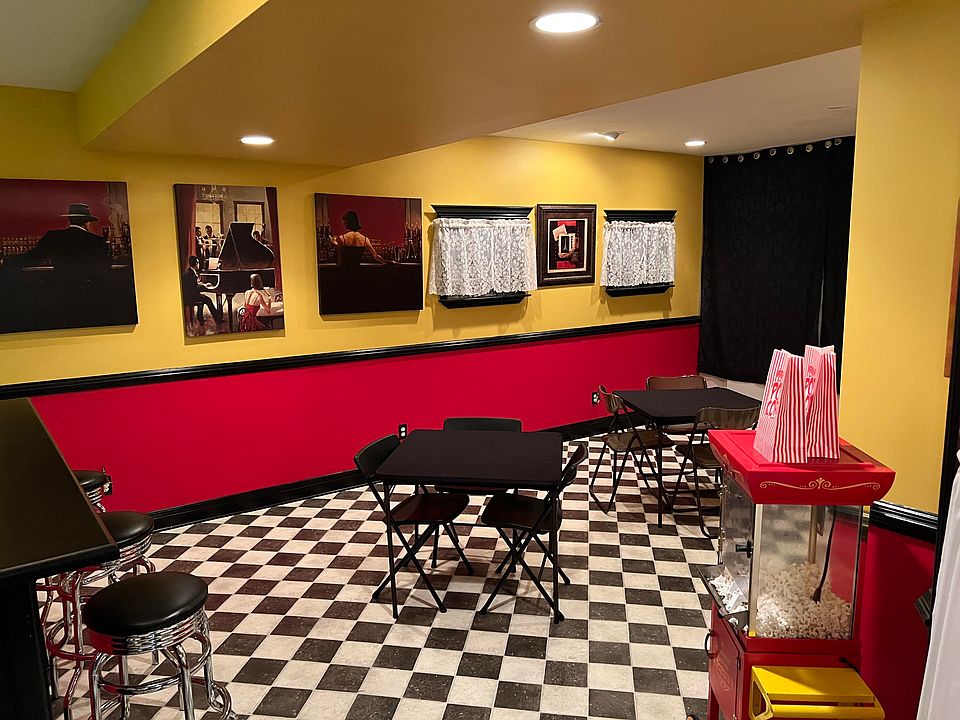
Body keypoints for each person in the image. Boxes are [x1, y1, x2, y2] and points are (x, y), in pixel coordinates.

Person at [5, 203, 110, 270]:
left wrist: (5, 262)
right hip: (87, 291)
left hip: (60, 289)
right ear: (87, 223)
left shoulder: (53, 237)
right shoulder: (97, 241)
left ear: (69, 219)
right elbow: (105, 266)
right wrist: (106, 242)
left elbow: (31, 258)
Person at [181, 255, 222, 326]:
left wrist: (202, 284)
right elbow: (195, 288)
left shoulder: (188, 272)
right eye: (198, 263)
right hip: (191, 296)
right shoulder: (192, 274)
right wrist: (204, 286)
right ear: (196, 264)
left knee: (203, 297)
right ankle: (217, 318)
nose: (199, 264)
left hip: (188, 295)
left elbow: (193, 285)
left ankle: (200, 316)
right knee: (208, 299)